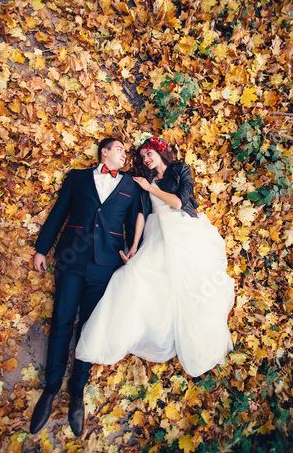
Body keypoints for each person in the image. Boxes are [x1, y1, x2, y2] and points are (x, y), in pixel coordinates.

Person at [75, 134, 235, 379]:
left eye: (149, 154)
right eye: (142, 157)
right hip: (157, 231)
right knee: (131, 277)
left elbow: (180, 202)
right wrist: (135, 245)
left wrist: (150, 188)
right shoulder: (145, 180)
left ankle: (193, 335)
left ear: (160, 152)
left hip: (183, 230)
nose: (146, 159)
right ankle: (127, 333)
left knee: (189, 286)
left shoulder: (180, 170)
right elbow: (141, 213)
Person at [30, 138, 140, 437]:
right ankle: (51, 388)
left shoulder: (132, 185)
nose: (124, 154)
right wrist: (42, 249)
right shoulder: (78, 177)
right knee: (62, 321)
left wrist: (133, 253)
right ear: (104, 152)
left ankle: (76, 392)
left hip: (105, 266)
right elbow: (59, 212)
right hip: (71, 259)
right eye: (119, 149)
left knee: (90, 329)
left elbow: (135, 226)